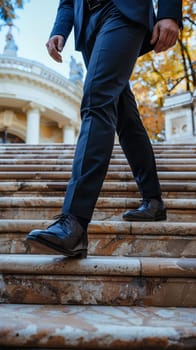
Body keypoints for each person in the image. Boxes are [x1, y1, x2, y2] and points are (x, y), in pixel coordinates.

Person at [27, 0, 182, 258]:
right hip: (89, 26)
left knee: (96, 101)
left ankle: (74, 223)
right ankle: (153, 201)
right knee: (125, 117)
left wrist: (170, 13)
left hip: (123, 9)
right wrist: (59, 30)